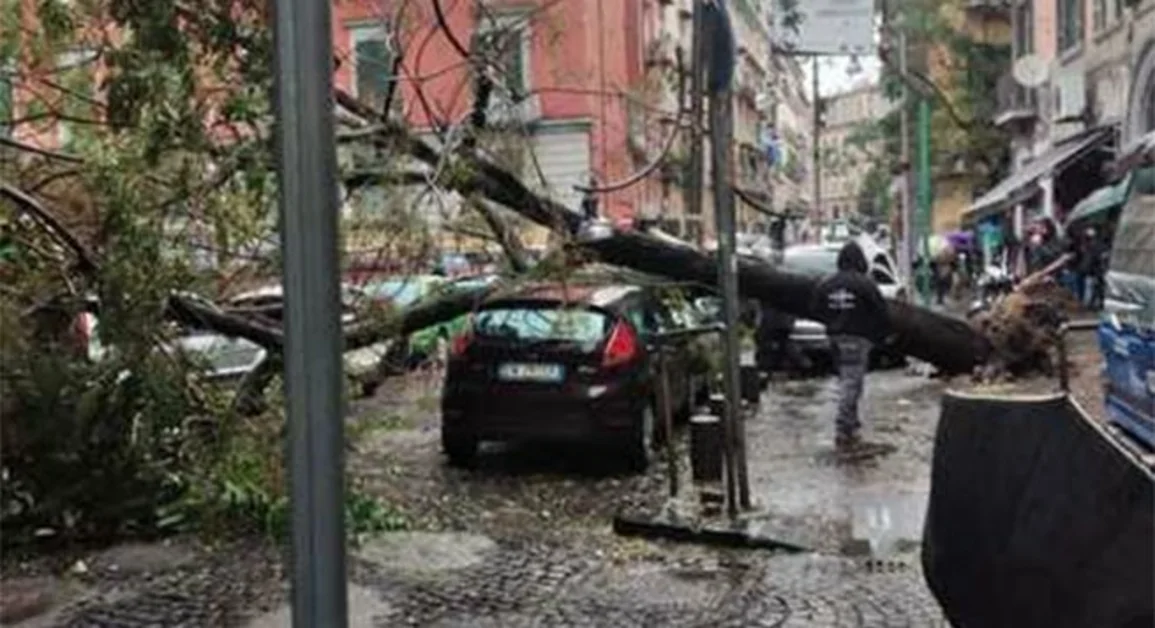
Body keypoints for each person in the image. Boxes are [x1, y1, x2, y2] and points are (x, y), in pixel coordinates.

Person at [810, 241, 892, 451]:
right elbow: (882, 312)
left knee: (848, 381)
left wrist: (832, 324)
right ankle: (844, 429)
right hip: (857, 338)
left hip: (835, 338)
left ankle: (851, 424)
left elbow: (815, 309)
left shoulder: (827, 283)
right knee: (852, 384)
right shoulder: (865, 284)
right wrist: (880, 336)